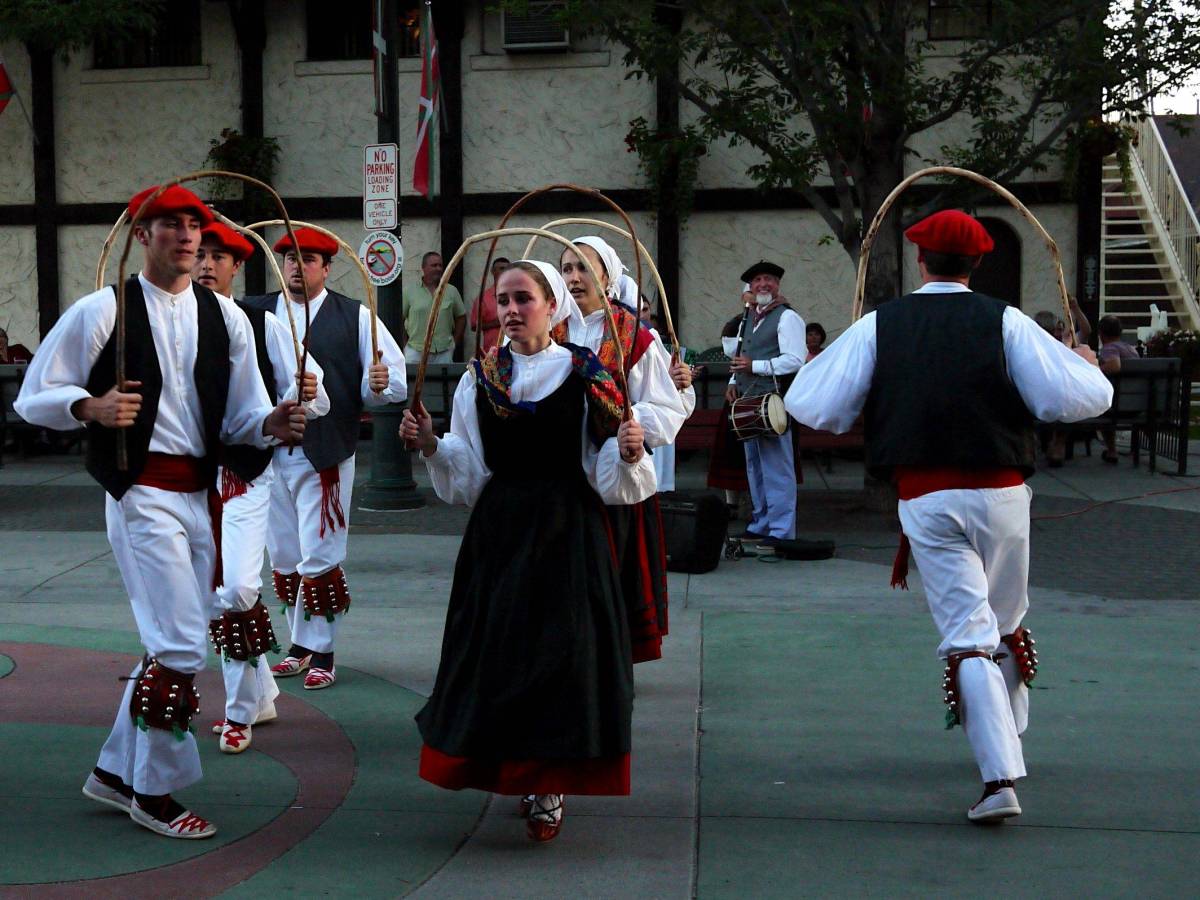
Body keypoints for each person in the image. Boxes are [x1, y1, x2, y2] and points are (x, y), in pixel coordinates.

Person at [785, 209, 1112, 823]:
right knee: (1005, 618)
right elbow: (1075, 398)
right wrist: (1085, 365)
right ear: (979, 263)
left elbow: (813, 405)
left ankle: (999, 779)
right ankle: (1007, 741)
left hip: (928, 498)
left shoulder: (882, 325)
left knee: (970, 631)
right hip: (1004, 493)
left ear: (919, 260)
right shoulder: (1006, 320)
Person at [15, 184, 307, 839]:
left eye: (192, 226)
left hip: (200, 494)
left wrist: (276, 421)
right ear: (140, 235)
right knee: (179, 645)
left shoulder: (225, 318)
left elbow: (243, 414)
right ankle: (154, 790)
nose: (184, 236)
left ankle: (117, 773)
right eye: (168, 225)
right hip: (139, 491)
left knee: (171, 639)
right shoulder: (102, 311)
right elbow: (34, 395)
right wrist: (86, 406)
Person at [400, 260, 655, 842]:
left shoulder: (589, 373)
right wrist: (432, 445)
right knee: (503, 654)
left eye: (523, 298)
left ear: (553, 304)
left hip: (570, 530)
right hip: (503, 531)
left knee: (563, 657)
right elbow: (470, 469)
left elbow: (609, 473)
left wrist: (632, 450)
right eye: (503, 301)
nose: (510, 310)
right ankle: (511, 765)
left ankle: (550, 783)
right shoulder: (481, 377)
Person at [243, 227, 406, 691]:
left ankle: (324, 651)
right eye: (290, 259)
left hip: (326, 452)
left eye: (308, 259)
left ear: (327, 267)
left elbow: (389, 382)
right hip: (270, 454)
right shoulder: (255, 312)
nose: (297, 266)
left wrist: (377, 382)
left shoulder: (354, 316)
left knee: (320, 555)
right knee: (286, 555)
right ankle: (300, 646)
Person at [194, 222, 330, 753]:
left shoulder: (261, 322)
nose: (206, 264)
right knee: (210, 595)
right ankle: (261, 693)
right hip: (188, 480)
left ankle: (237, 712)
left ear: (235, 266)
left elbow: (317, 400)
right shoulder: (167, 323)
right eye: (199, 254)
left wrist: (306, 392)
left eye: (218, 256)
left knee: (238, 589)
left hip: (248, 475)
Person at [556, 235, 690, 663]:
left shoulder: (634, 336)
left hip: (614, 474)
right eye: (566, 268)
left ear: (607, 276)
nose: (573, 277)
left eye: (583, 267)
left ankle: (605, 658)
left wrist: (632, 430)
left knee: (609, 571)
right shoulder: (548, 326)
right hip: (557, 474)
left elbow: (665, 407)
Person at [725, 260, 805, 548]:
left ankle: (782, 531)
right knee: (755, 467)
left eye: (768, 279)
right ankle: (761, 523)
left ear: (777, 285)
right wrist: (733, 383)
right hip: (748, 401)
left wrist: (754, 366)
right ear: (751, 287)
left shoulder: (787, 318)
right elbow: (741, 355)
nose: (763, 285)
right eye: (757, 280)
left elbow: (795, 359)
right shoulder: (750, 317)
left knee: (777, 469)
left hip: (773, 402)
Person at [404, 251, 466, 364]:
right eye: (434, 265)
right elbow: (399, 319)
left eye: (440, 265)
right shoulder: (409, 291)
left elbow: (461, 317)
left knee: (443, 381)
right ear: (423, 268)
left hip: (444, 351)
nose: (438, 268)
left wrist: (454, 343)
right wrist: (404, 343)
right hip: (415, 351)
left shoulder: (451, 291)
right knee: (412, 381)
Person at [1097, 315, 1138, 464]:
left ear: (1101, 334)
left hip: (1117, 406)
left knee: (1099, 408)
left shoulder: (1109, 348)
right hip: (1138, 403)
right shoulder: (1131, 349)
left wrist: (1095, 370)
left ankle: (1112, 450)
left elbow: (1115, 366)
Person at [469, 256, 509, 354]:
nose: (504, 272)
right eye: (501, 269)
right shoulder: (483, 298)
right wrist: (497, 323)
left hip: (516, 351)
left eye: (507, 269)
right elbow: (474, 326)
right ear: (492, 271)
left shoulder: (518, 295)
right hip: (492, 352)